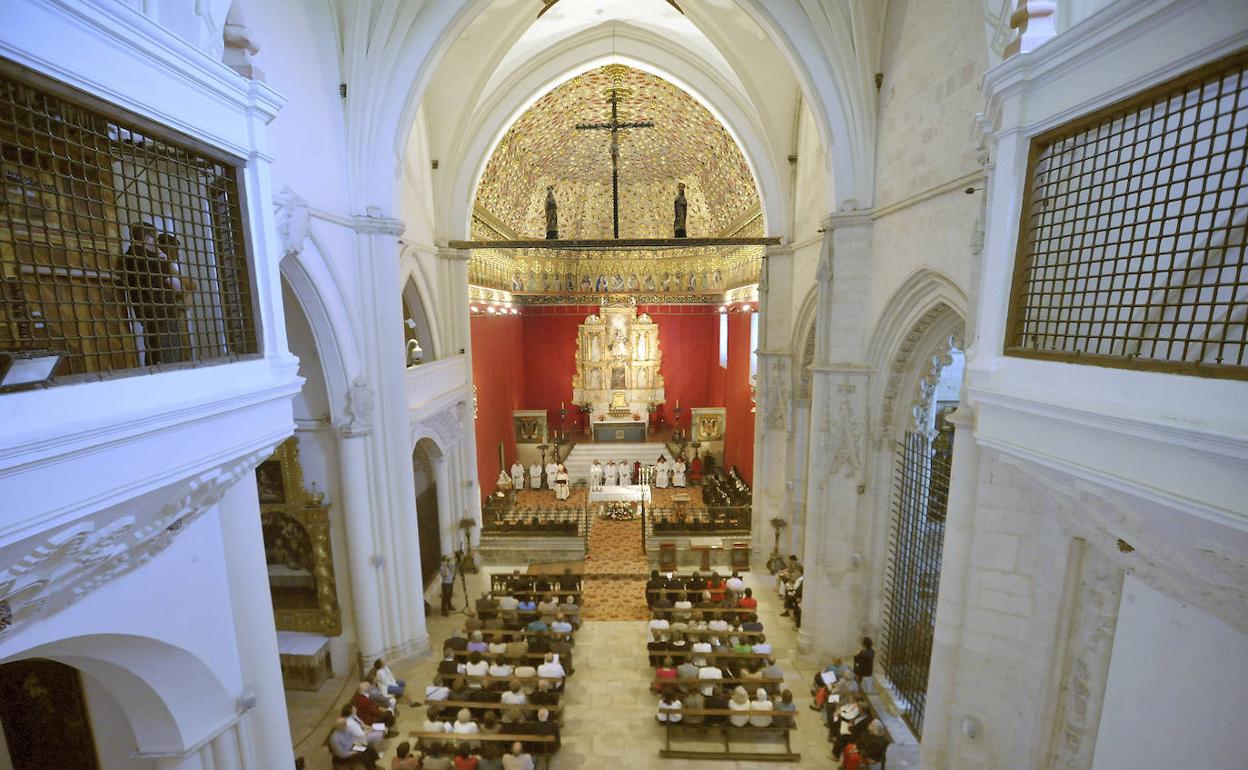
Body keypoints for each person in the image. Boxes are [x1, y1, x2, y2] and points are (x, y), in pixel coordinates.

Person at [120, 222, 190, 366]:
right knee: (169, 360)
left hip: (146, 315)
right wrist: (163, 259)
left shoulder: (128, 257)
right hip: (164, 314)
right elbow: (178, 288)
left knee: (153, 357)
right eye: (155, 239)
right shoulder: (152, 259)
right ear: (147, 238)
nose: (157, 243)